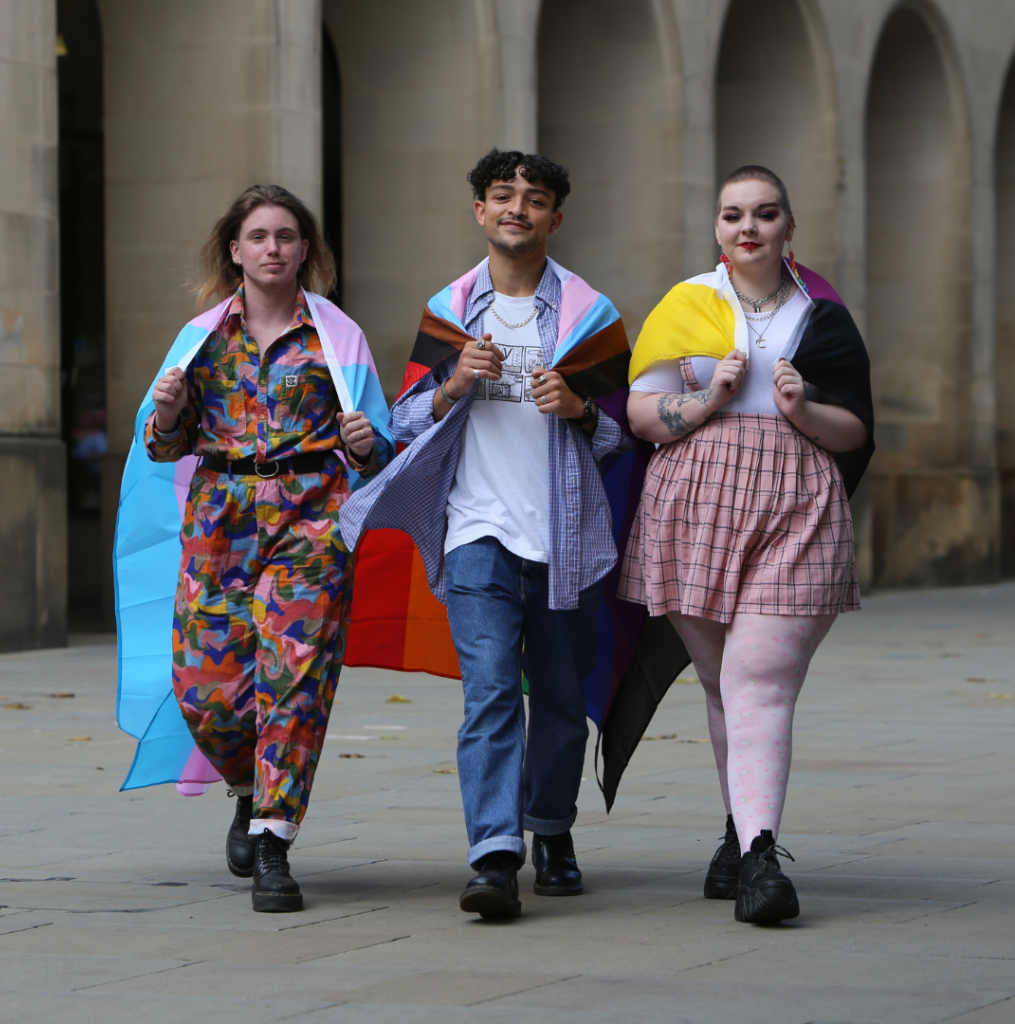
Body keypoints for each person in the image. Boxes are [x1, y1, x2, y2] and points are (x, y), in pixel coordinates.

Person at [340, 149, 634, 919]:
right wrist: (454, 385)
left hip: (566, 536)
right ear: (479, 210)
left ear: (555, 219)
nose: (517, 209)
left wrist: (576, 408)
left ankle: (552, 829)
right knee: (494, 691)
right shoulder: (449, 309)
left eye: (534, 199)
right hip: (476, 533)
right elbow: (402, 423)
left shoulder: (591, 316)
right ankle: (496, 855)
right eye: (503, 196)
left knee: (563, 701)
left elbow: (619, 434)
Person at [619, 165, 874, 924]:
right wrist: (708, 398)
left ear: (789, 227)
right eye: (734, 215)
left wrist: (801, 411)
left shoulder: (823, 316)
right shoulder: (687, 302)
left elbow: (856, 429)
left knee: (758, 675)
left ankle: (761, 857)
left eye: (765, 214)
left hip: (796, 503)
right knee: (721, 682)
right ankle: (739, 828)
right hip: (693, 502)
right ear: (717, 228)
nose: (748, 228)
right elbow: (639, 414)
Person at [143, 184, 393, 912]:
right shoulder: (202, 337)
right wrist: (165, 414)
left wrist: (366, 444)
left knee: (295, 678)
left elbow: (382, 454)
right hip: (219, 520)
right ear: (235, 250)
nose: (274, 248)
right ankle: (248, 785)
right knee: (204, 687)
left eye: (287, 236)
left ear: (305, 250)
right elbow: (166, 447)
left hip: (312, 520)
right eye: (259, 236)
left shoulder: (336, 337)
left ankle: (274, 842)